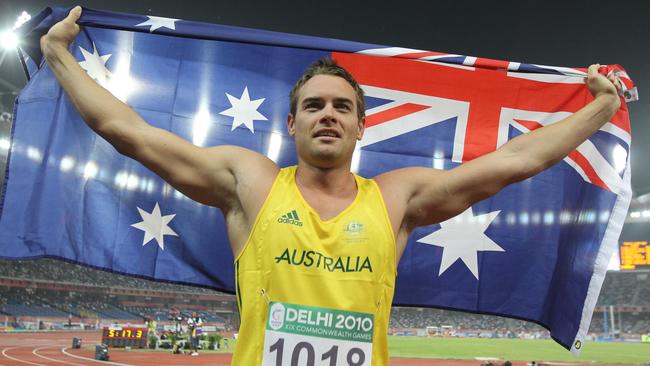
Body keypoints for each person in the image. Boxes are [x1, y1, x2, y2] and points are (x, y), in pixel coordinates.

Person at [40, 7, 623, 366]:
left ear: (361, 126)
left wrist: (598, 111)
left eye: (343, 107)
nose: (328, 114)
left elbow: (515, 160)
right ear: (290, 123)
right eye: (314, 105)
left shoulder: (396, 198)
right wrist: (57, 53)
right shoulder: (251, 182)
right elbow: (130, 132)